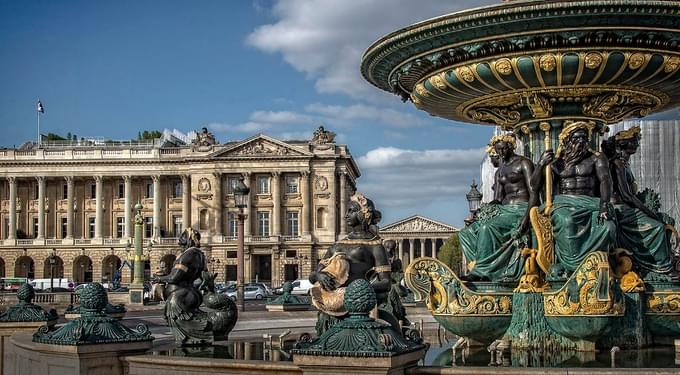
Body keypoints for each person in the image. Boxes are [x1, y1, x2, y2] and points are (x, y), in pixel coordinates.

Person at [532, 121, 616, 276]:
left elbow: (606, 180)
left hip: (591, 203)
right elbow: (535, 185)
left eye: (584, 138)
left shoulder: (597, 158)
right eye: (577, 139)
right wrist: (540, 165)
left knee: (608, 227)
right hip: (564, 204)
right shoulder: (556, 163)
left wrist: (604, 205)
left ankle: (597, 264)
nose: (581, 142)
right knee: (567, 221)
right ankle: (572, 266)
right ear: (567, 141)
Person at [309, 193, 392, 333]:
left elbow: (386, 282)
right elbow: (313, 276)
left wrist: (354, 291)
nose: (346, 215)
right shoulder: (338, 244)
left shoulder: (375, 245)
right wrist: (319, 276)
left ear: (363, 214)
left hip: (360, 305)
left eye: (351, 211)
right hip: (333, 302)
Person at [602, 126, 676, 279]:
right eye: (633, 140)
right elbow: (627, 196)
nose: (637, 142)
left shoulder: (623, 163)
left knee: (667, 220)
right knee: (657, 227)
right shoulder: (617, 164)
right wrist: (651, 214)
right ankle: (662, 268)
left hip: (626, 208)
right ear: (624, 144)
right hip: (620, 210)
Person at [459, 134, 534, 281]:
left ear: (511, 147)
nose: (500, 153)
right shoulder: (500, 171)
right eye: (498, 150)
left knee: (487, 228)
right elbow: (498, 199)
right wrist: (481, 211)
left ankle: (482, 272)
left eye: (503, 149)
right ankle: (480, 265)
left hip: (521, 208)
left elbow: (534, 192)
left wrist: (527, 217)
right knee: (467, 232)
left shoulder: (523, 163)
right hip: (504, 210)